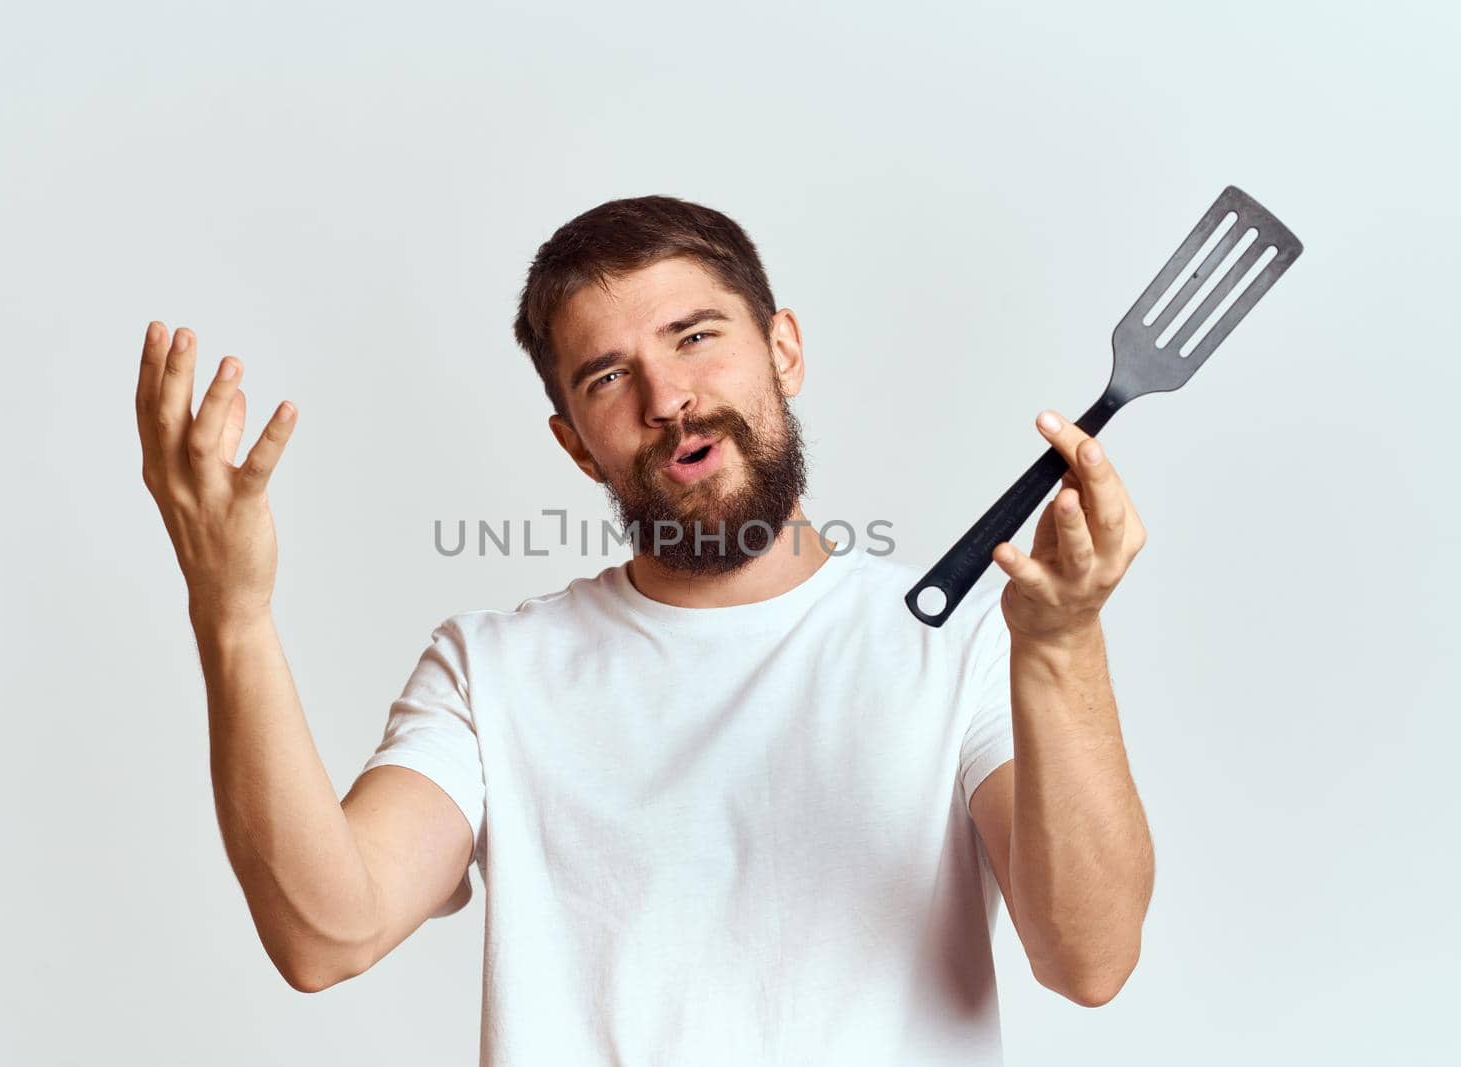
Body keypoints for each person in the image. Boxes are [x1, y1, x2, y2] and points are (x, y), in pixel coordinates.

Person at [135, 194, 1155, 1065]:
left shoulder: (967, 641)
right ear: (575, 445)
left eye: (695, 335)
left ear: (783, 347)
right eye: (607, 377)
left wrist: (1062, 649)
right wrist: (230, 614)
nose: (669, 398)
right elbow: (327, 930)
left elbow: (1089, 956)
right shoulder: (492, 670)